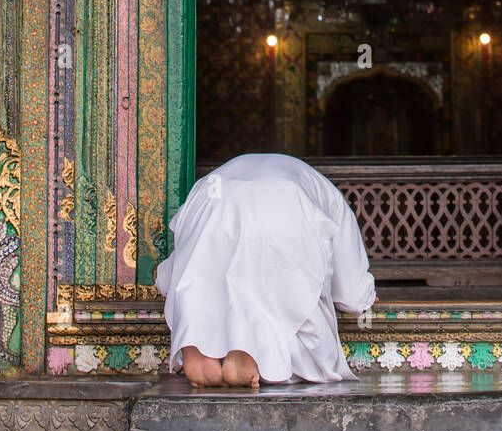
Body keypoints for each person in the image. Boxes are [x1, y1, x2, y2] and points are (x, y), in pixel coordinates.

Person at [156, 153, 376, 388]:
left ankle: (199, 346)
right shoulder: (326, 191)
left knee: (205, 268)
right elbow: (351, 294)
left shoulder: (210, 182)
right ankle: (253, 353)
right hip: (286, 199)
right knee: (283, 303)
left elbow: (177, 268)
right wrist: (365, 298)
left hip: (213, 193)